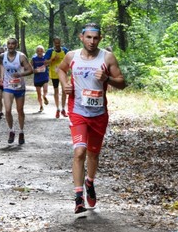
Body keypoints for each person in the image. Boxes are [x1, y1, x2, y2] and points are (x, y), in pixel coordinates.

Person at [57, 23, 126, 214]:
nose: (92, 41)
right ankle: (78, 198)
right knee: (80, 152)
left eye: (95, 38)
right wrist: (64, 84)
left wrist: (107, 79)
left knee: (93, 154)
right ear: (81, 37)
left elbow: (122, 83)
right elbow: (61, 70)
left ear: (100, 39)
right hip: (78, 111)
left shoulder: (107, 57)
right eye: (88, 37)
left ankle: (90, 182)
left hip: (98, 114)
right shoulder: (72, 56)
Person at [0, 38, 33, 144]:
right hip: (8, 86)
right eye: (8, 44)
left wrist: (20, 74)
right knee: (8, 110)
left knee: (20, 110)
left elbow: (30, 70)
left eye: (13, 44)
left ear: (16, 45)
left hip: (19, 86)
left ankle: (21, 132)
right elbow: (1, 66)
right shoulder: (2, 56)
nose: (10, 46)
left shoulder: (21, 57)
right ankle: (11, 130)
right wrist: (1, 76)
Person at [44, 37, 69, 118]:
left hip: (63, 73)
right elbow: (45, 62)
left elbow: (70, 60)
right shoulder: (50, 51)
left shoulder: (65, 50)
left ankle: (63, 109)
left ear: (61, 42)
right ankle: (57, 109)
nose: (57, 44)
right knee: (56, 91)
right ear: (54, 43)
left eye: (59, 43)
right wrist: (53, 59)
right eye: (56, 43)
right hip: (54, 73)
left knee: (64, 91)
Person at [31, 45, 49, 112]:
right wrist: (33, 70)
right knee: (38, 93)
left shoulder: (45, 57)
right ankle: (41, 106)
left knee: (45, 90)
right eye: (38, 51)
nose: (40, 52)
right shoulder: (34, 58)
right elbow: (30, 66)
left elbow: (49, 63)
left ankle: (44, 96)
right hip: (37, 78)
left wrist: (48, 63)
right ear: (36, 51)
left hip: (44, 76)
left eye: (41, 51)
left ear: (43, 51)